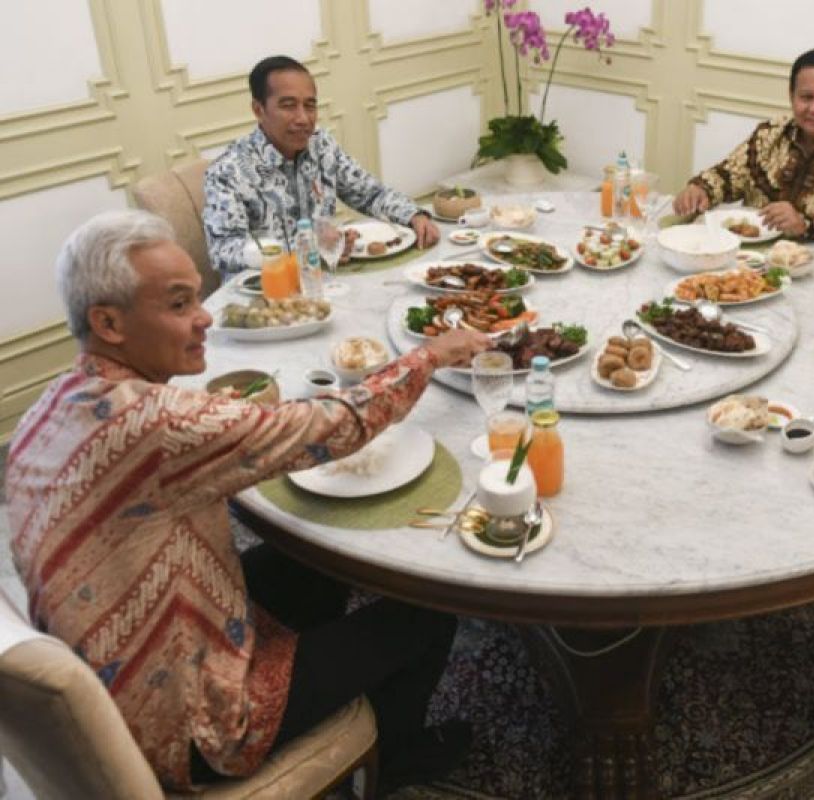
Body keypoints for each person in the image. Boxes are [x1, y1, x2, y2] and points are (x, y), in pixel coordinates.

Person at [6, 209, 490, 789]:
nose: (205, 316)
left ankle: (324, 673)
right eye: (180, 304)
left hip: (126, 654)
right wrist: (431, 355)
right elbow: (327, 427)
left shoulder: (51, 405)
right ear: (108, 322)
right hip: (187, 728)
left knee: (317, 555)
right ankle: (398, 759)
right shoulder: (151, 423)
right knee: (426, 609)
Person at [203, 55, 440, 276]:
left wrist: (414, 215)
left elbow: (370, 194)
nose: (303, 118)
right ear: (259, 109)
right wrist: (307, 249)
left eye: (310, 105)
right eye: (288, 105)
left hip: (327, 280)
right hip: (266, 298)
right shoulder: (227, 172)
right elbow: (224, 251)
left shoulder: (321, 145)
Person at [673, 47, 814, 239]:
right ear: (791, 97)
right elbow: (730, 176)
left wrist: (804, 224)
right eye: (806, 97)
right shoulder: (771, 133)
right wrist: (700, 189)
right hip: (751, 259)